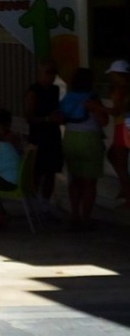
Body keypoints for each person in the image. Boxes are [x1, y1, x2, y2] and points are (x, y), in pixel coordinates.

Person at [59, 67, 110, 230]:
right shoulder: (92, 98)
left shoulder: (69, 97)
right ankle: (85, 217)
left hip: (70, 139)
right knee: (89, 183)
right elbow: (103, 122)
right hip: (90, 141)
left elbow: (62, 117)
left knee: (75, 179)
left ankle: (74, 214)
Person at [23, 61, 63, 219]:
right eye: (47, 73)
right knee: (37, 171)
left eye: (53, 73)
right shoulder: (33, 92)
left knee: (51, 171)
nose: (51, 76)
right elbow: (29, 117)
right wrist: (47, 118)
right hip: (39, 135)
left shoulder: (55, 90)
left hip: (53, 134)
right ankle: (34, 202)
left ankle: (46, 203)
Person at [105, 60, 130, 207]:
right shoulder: (125, 88)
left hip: (122, 125)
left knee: (119, 162)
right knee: (116, 156)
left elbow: (116, 110)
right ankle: (125, 189)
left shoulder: (120, 89)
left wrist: (97, 108)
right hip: (125, 124)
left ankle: (127, 194)